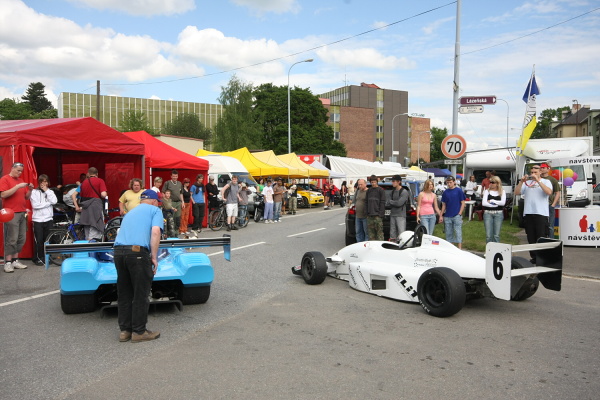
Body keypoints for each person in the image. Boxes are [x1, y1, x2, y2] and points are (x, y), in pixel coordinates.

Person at [113, 189, 164, 343]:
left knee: (125, 292)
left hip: (119, 252)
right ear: (154, 201)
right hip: (137, 253)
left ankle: (125, 331)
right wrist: (154, 257)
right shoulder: (155, 210)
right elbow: (155, 232)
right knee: (141, 293)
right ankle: (139, 331)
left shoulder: (130, 213)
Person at [514, 164, 553, 264]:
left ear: (540, 172)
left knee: (541, 236)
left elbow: (549, 192)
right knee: (531, 237)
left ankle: (542, 257)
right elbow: (517, 192)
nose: (533, 174)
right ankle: (534, 257)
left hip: (541, 213)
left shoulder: (546, 181)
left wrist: (538, 181)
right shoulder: (527, 183)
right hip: (529, 212)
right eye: (531, 172)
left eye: (535, 172)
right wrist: (521, 182)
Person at [0, 162, 33, 272]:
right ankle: (8, 262)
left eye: (21, 171)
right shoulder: (5, 179)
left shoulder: (20, 180)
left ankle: (15, 260)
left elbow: (26, 197)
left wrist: (30, 190)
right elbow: (3, 194)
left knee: (21, 238)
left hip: (22, 212)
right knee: (12, 238)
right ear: (12, 168)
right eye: (18, 170)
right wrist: (17, 186)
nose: (20, 173)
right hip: (11, 213)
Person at [73, 167, 107, 241]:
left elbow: (81, 196)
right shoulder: (100, 181)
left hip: (85, 208)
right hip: (95, 207)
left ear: (88, 174)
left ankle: (87, 245)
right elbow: (103, 194)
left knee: (87, 229)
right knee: (95, 229)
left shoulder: (83, 183)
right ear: (97, 174)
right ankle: (92, 246)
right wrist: (105, 194)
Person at [30, 174, 58, 266]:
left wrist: (47, 191)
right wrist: (48, 203)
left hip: (48, 218)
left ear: (48, 182)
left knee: (48, 239)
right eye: (42, 181)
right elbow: (35, 205)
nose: (44, 183)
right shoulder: (34, 192)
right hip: (38, 219)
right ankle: (38, 258)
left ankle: (47, 257)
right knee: (39, 240)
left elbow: (54, 201)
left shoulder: (50, 192)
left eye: (46, 181)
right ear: (39, 182)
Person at [440, 176, 466, 249]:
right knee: (448, 233)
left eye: (450, 182)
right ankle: (451, 248)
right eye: (447, 182)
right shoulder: (445, 192)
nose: (449, 184)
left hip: (456, 214)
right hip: (447, 215)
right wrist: (441, 215)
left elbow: (463, 203)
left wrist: (460, 213)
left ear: (454, 182)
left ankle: (459, 248)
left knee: (458, 232)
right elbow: (444, 204)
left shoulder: (459, 190)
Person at [481, 176, 506, 243]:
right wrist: (496, 204)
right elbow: (484, 203)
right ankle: (489, 248)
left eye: (493, 182)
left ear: (497, 183)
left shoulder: (502, 191)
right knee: (488, 235)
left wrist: (492, 201)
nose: (491, 184)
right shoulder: (487, 191)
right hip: (488, 213)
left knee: (496, 235)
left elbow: (503, 203)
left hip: (498, 213)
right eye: (490, 182)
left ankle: (496, 249)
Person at [540, 162, 560, 238]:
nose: (542, 169)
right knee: (541, 224)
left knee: (550, 225)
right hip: (540, 205)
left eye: (543, 168)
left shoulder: (553, 180)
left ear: (548, 169)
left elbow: (557, 192)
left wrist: (553, 204)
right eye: (541, 168)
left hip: (549, 205)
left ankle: (551, 240)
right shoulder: (537, 179)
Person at [388, 175, 410, 241]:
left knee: (401, 233)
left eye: (394, 181)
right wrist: (393, 202)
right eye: (392, 181)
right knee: (392, 233)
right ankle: (393, 244)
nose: (392, 182)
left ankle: (401, 245)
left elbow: (399, 203)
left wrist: (391, 202)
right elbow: (387, 202)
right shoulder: (392, 192)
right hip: (392, 214)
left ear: (399, 182)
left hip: (400, 215)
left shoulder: (404, 192)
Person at [366, 175, 386, 241]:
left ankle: (380, 246)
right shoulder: (369, 191)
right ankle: (372, 246)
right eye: (372, 182)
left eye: (374, 182)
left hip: (377, 216)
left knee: (379, 233)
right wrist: (367, 213)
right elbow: (366, 202)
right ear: (370, 182)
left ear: (377, 182)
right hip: (370, 216)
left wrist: (380, 214)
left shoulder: (381, 190)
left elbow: (382, 202)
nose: (373, 183)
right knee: (371, 234)